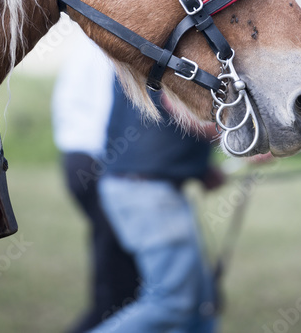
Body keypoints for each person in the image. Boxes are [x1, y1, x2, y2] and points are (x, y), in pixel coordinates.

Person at [90, 77, 224, 333]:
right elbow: (181, 106)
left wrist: (196, 168)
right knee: (171, 304)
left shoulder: (148, 48)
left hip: (145, 186)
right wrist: (246, 141)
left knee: (200, 304)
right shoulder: (179, 44)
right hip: (149, 193)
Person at [51, 31, 140, 333]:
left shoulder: (90, 43)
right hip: (97, 161)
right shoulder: (110, 47)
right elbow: (117, 117)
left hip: (79, 158)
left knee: (120, 262)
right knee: (118, 280)